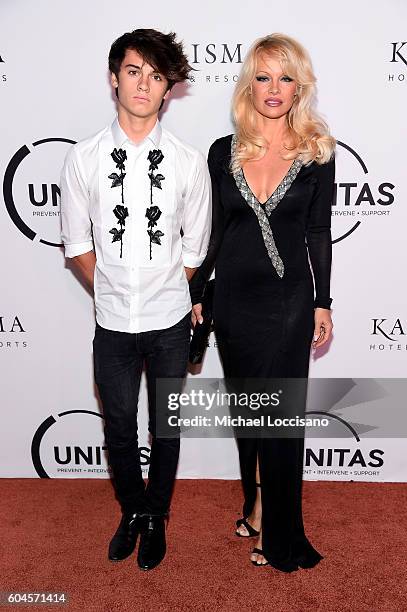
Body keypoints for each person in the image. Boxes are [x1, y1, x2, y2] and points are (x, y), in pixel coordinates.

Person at [60, 28, 211, 571]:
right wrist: (115, 289)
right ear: (114, 78)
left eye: (155, 76)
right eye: (133, 72)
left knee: (165, 427)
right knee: (119, 428)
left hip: (171, 320)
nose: (143, 84)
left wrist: (163, 288)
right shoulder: (83, 158)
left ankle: (157, 518)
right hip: (112, 324)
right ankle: (132, 512)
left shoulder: (190, 162)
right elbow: (76, 244)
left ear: (168, 88)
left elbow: (194, 248)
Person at [190, 33, 335, 572]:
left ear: (299, 86)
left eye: (286, 77)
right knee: (250, 414)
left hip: (291, 301)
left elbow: (317, 232)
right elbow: (214, 233)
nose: (274, 89)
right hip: (233, 300)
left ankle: (279, 528)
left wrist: (324, 302)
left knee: (281, 419)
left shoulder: (317, 150)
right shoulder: (221, 151)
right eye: (264, 76)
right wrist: (199, 293)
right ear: (249, 82)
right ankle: (253, 500)